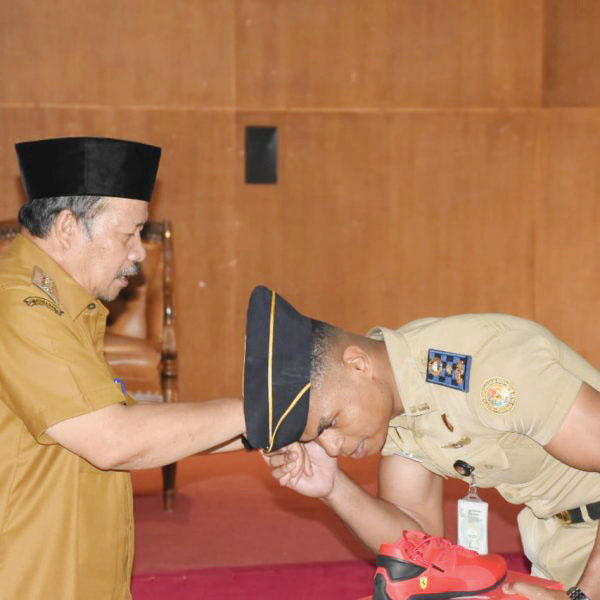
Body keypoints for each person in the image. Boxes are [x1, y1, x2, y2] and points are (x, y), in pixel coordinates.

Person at [0, 137, 245, 600]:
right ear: (69, 227)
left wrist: (272, 428)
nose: (138, 253)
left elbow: (130, 420)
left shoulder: (66, 305)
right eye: (128, 234)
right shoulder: (19, 305)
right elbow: (112, 439)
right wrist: (257, 410)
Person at [243, 285, 600, 600]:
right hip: (561, 547)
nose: (333, 447)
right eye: (318, 438)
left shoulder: (486, 368)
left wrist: (583, 596)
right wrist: (333, 486)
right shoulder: (398, 399)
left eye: (330, 423)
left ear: (357, 364)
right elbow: (419, 542)